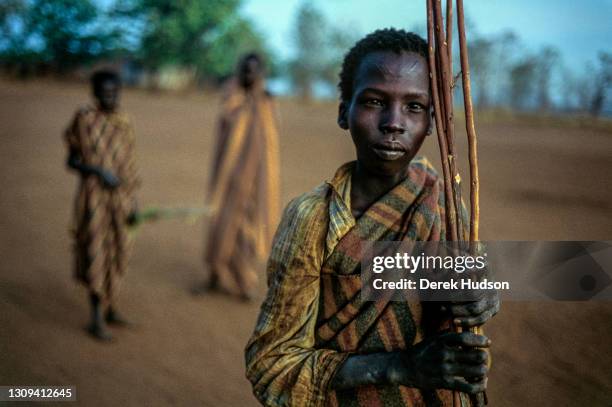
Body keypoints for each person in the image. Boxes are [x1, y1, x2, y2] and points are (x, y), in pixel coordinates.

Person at [245, 29, 499, 406]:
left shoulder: (443, 205)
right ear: (343, 111)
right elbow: (272, 365)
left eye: (414, 106)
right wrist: (399, 366)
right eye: (374, 101)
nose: (393, 122)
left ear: (433, 122)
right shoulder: (313, 217)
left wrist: (483, 295)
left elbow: (467, 302)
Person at [64, 70, 140, 341]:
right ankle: (96, 318)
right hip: (93, 199)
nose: (111, 98)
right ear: (94, 94)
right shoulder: (84, 120)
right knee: (97, 251)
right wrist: (97, 171)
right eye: (105, 94)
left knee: (118, 251)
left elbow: (130, 167)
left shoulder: (125, 122)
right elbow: (71, 161)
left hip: (120, 200)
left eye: (115, 93)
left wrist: (134, 202)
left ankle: (111, 308)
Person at [203, 53, 281, 301]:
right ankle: (215, 276)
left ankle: (244, 281)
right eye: (245, 70)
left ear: (261, 74)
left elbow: (269, 144)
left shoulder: (266, 102)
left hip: (253, 182)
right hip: (228, 178)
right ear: (240, 71)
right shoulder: (231, 97)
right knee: (221, 224)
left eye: (254, 71)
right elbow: (228, 128)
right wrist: (247, 106)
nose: (250, 75)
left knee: (248, 230)